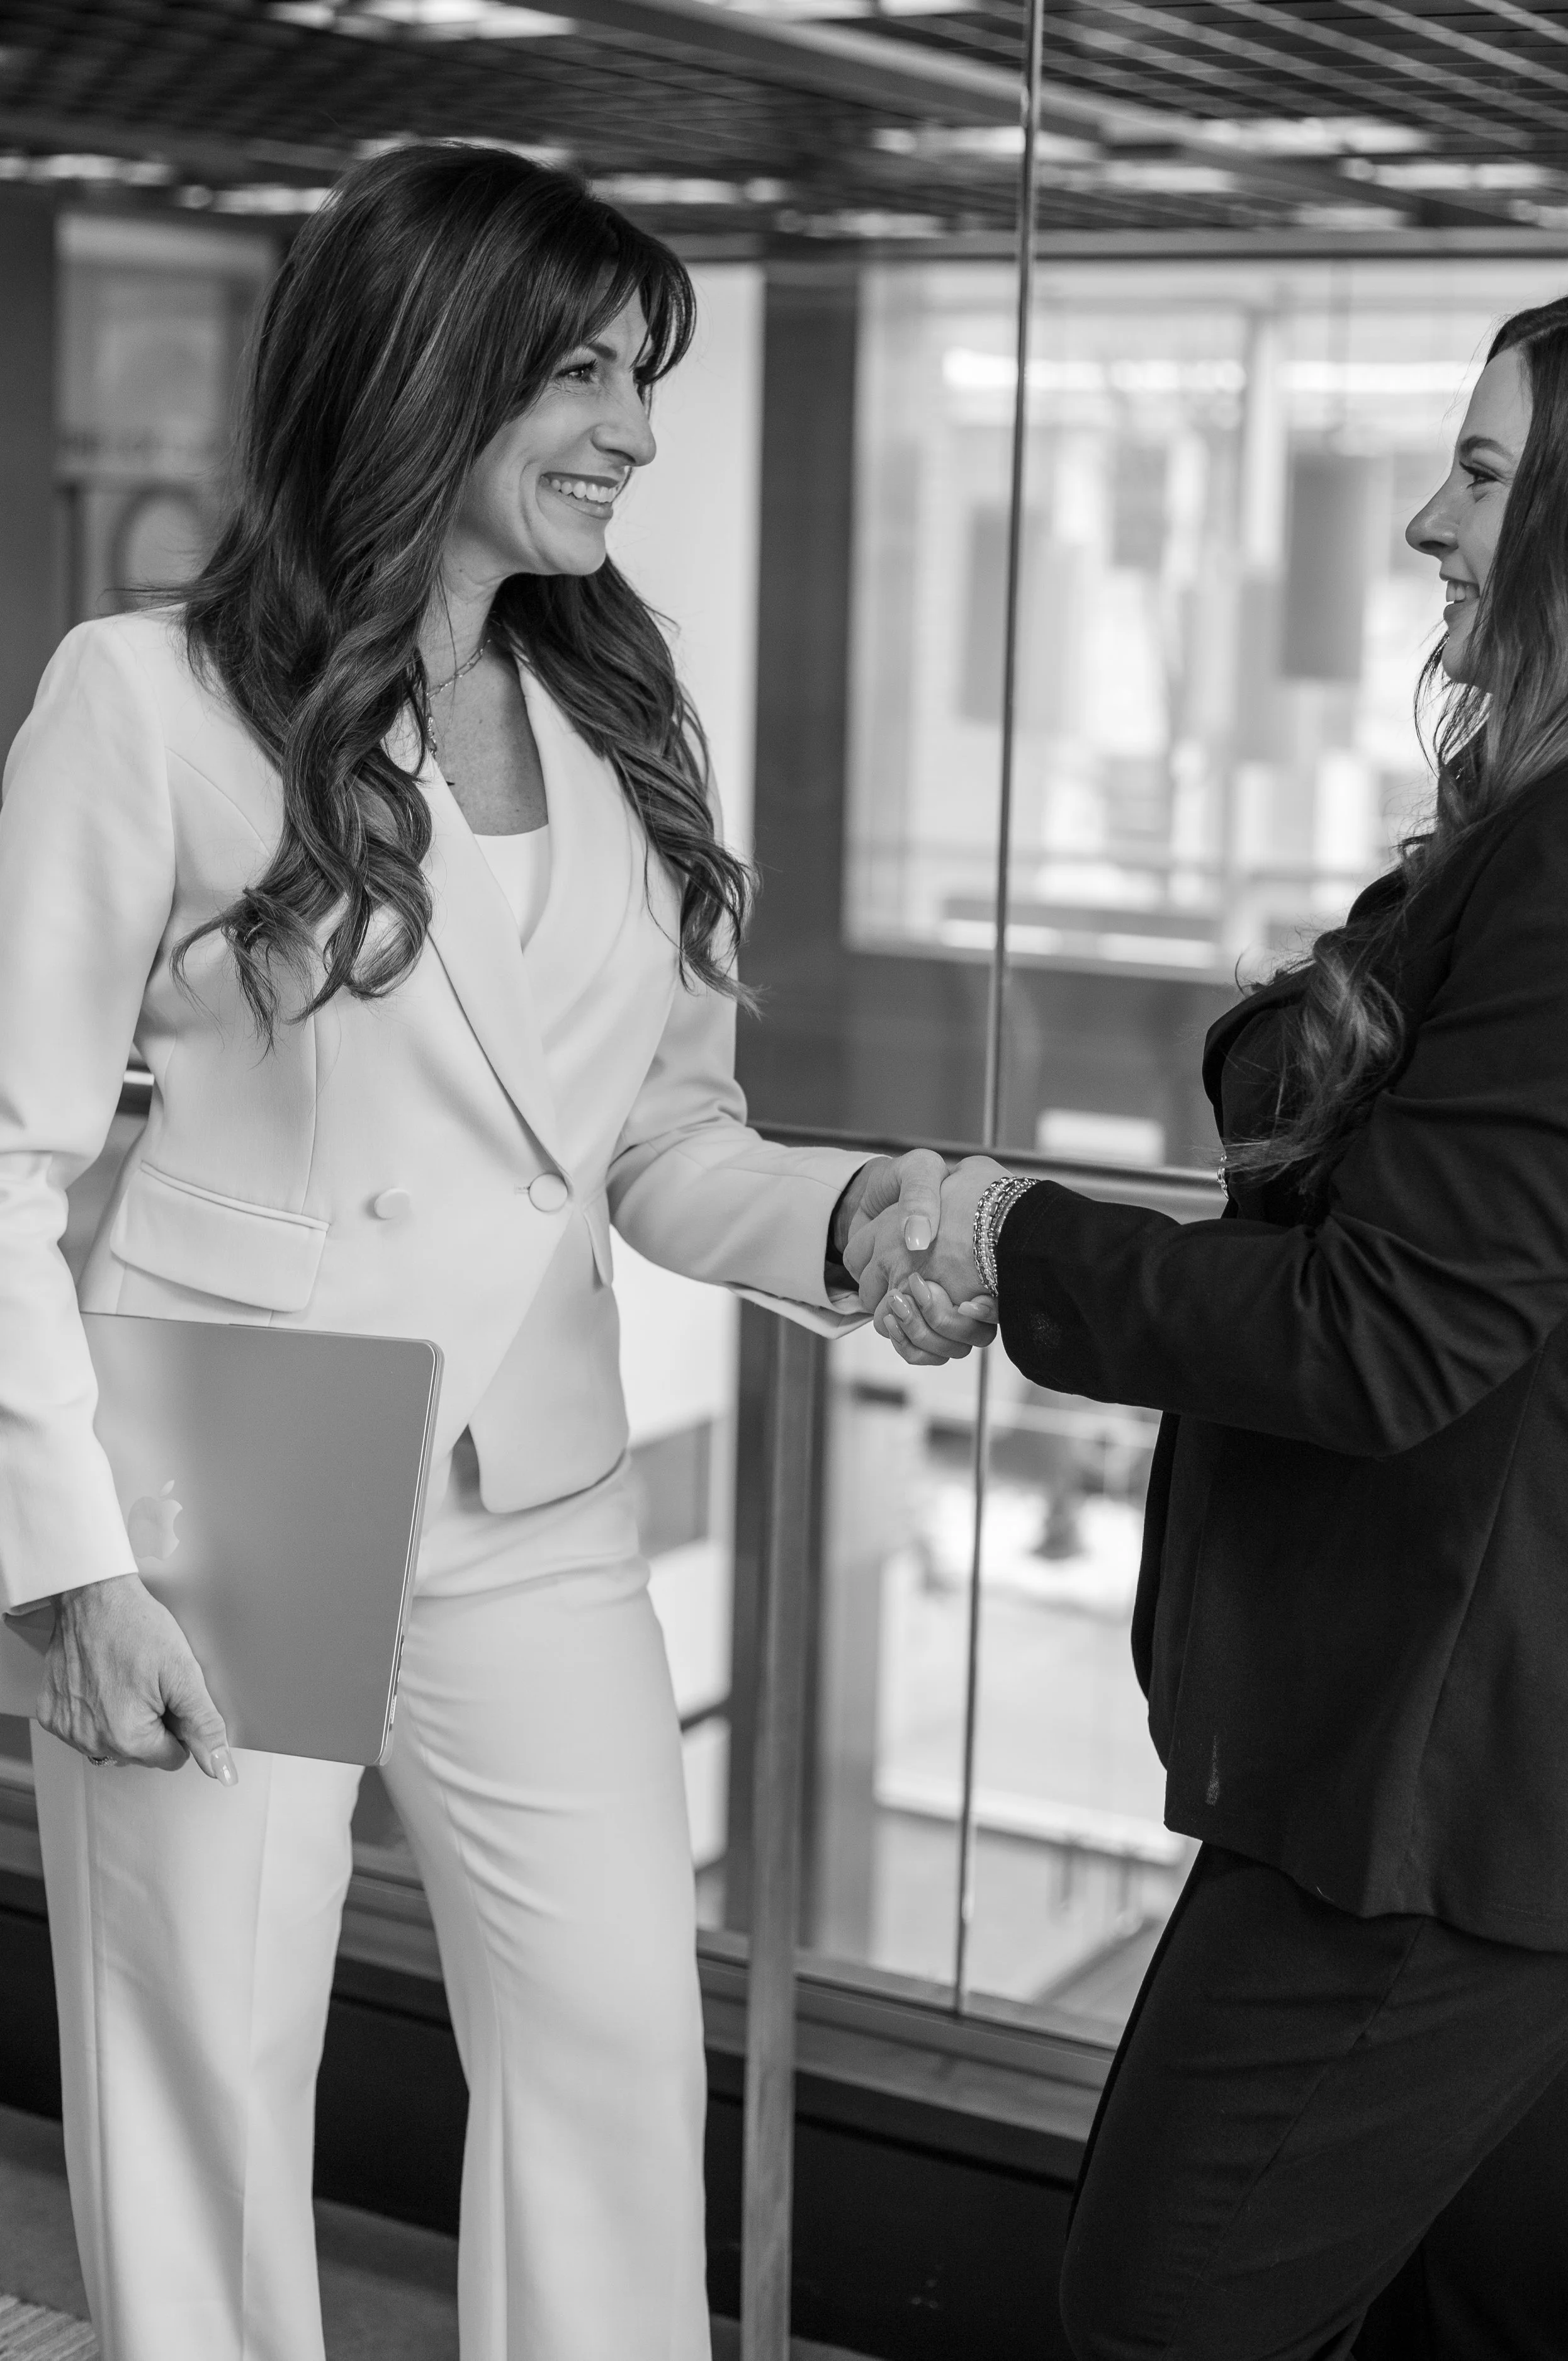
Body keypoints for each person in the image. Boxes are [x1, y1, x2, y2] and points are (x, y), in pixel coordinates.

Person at [0, 144, 993, 2361]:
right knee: (207, 2076)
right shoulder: (146, 696)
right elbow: (1, 1151)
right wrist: (71, 1562)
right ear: (423, 372)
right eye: (581, 375)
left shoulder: (615, 721)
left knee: (615, 2046)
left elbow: (652, 1136)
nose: (632, 429)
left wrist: (842, 1215)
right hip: (236, 1467)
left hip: (534, 1475)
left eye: (643, 378)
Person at [846, 295, 1568, 2358]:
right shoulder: (1525, 819)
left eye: (1484, 473)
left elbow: (1381, 1334)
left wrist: (1015, 1236)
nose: (1428, 523)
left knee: (1160, 2312)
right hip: (1491, 1778)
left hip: (1436, 1794)